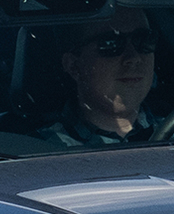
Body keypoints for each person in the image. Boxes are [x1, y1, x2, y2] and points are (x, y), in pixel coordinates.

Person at [38, 11, 159, 147]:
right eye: (111, 43)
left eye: (144, 40)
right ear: (74, 66)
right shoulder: (37, 152)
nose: (134, 58)